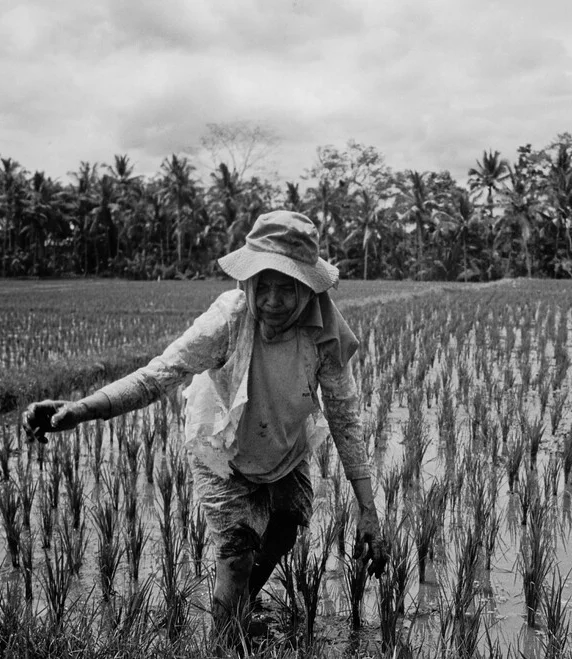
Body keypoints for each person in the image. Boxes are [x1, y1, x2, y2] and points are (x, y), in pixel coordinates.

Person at [22, 210, 387, 647]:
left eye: (285, 288)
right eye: (261, 286)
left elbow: (344, 417)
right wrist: (83, 408)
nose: (271, 300)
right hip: (221, 446)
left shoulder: (324, 333)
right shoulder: (229, 321)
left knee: (287, 522)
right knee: (235, 554)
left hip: (284, 447)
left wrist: (368, 509)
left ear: (308, 288)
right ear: (247, 283)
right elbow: (160, 374)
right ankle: (223, 640)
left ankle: (241, 603)